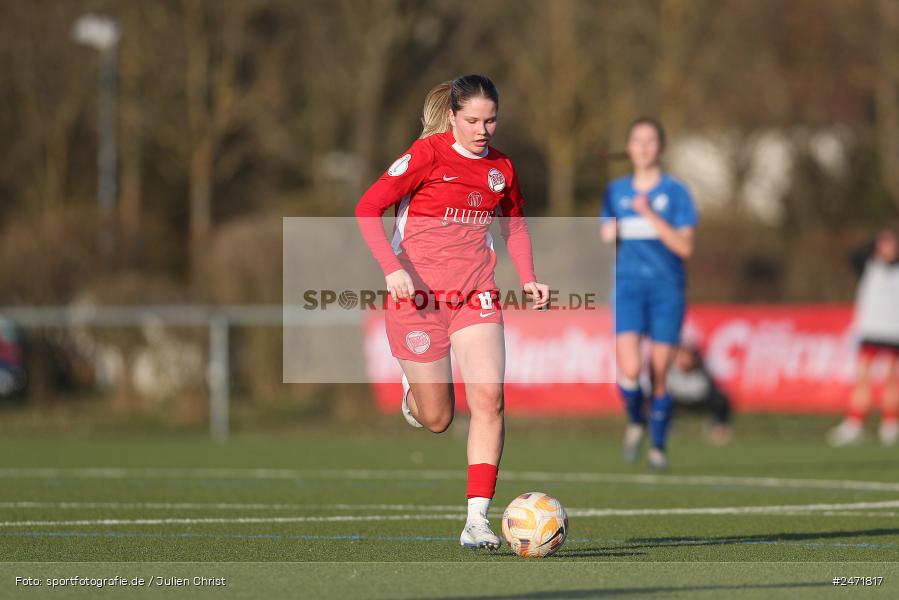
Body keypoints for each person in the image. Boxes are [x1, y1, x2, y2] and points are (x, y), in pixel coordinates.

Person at [355, 75, 549, 550]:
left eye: (491, 120)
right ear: (451, 117)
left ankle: (476, 520)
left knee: (489, 399)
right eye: (473, 120)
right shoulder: (425, 156)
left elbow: (515, 224)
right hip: (417, 299)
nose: (483, 130)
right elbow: (367, 208)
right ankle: (413, 393)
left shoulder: (501, 167)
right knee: (438, 418)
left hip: (475, 294)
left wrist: (527, 277)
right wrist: (390, 270)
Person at [600, 117, 698, 471]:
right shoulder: (615, 190)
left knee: (658, 373)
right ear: (628, 148)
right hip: (627, 287)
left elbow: (685, 247)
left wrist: (649, 215)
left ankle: (658, 446)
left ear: (661, 147)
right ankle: (636, 421)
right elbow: (605, 235)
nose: (642, 147)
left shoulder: (676, 192)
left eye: (650, 141)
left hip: (666, 290)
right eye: (636, 141)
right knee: (629, 369)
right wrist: (608, 232)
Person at [828, 229, 899, 447]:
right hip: (870, 330)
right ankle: (855, 423)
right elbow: (853, 254)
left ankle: (890, 426)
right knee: (863, 379)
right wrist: (876, 240)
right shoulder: (868, 265)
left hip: (895, 331)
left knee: (892, 380)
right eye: (884, 245)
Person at [665, 345, 733, 446]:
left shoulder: (702, 371)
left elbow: (709, 390)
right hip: (678, 401)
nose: (684, 360)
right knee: (661, 401)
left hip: (699, 401)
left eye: (688, 357)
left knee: (720, 399)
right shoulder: (670, 371)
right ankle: (665, 428)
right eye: (681, 356)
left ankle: (718, 428)